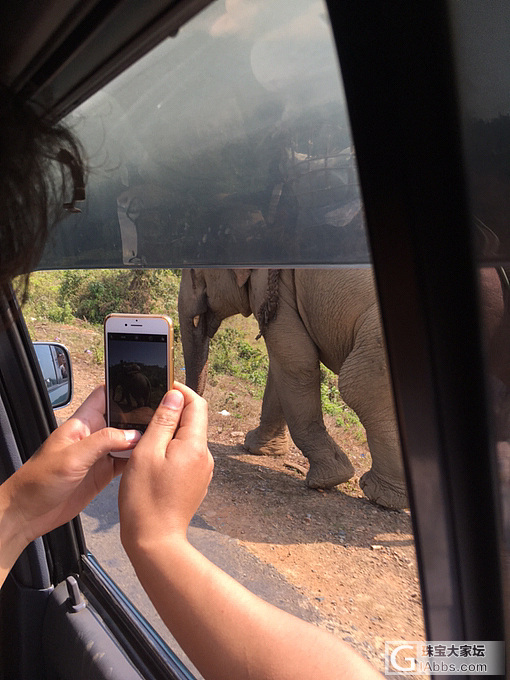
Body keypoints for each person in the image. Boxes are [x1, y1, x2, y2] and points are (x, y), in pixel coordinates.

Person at [0, 85, 382, 678]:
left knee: (361, 379)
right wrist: (156, 540)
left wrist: (21, 507)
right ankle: (333, 460)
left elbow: (294, 374)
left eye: (200, 287)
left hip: (365, 326)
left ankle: (384, 473)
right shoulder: (273, 288)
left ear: (240, 274)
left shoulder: (273, 285)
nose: (197, 302)